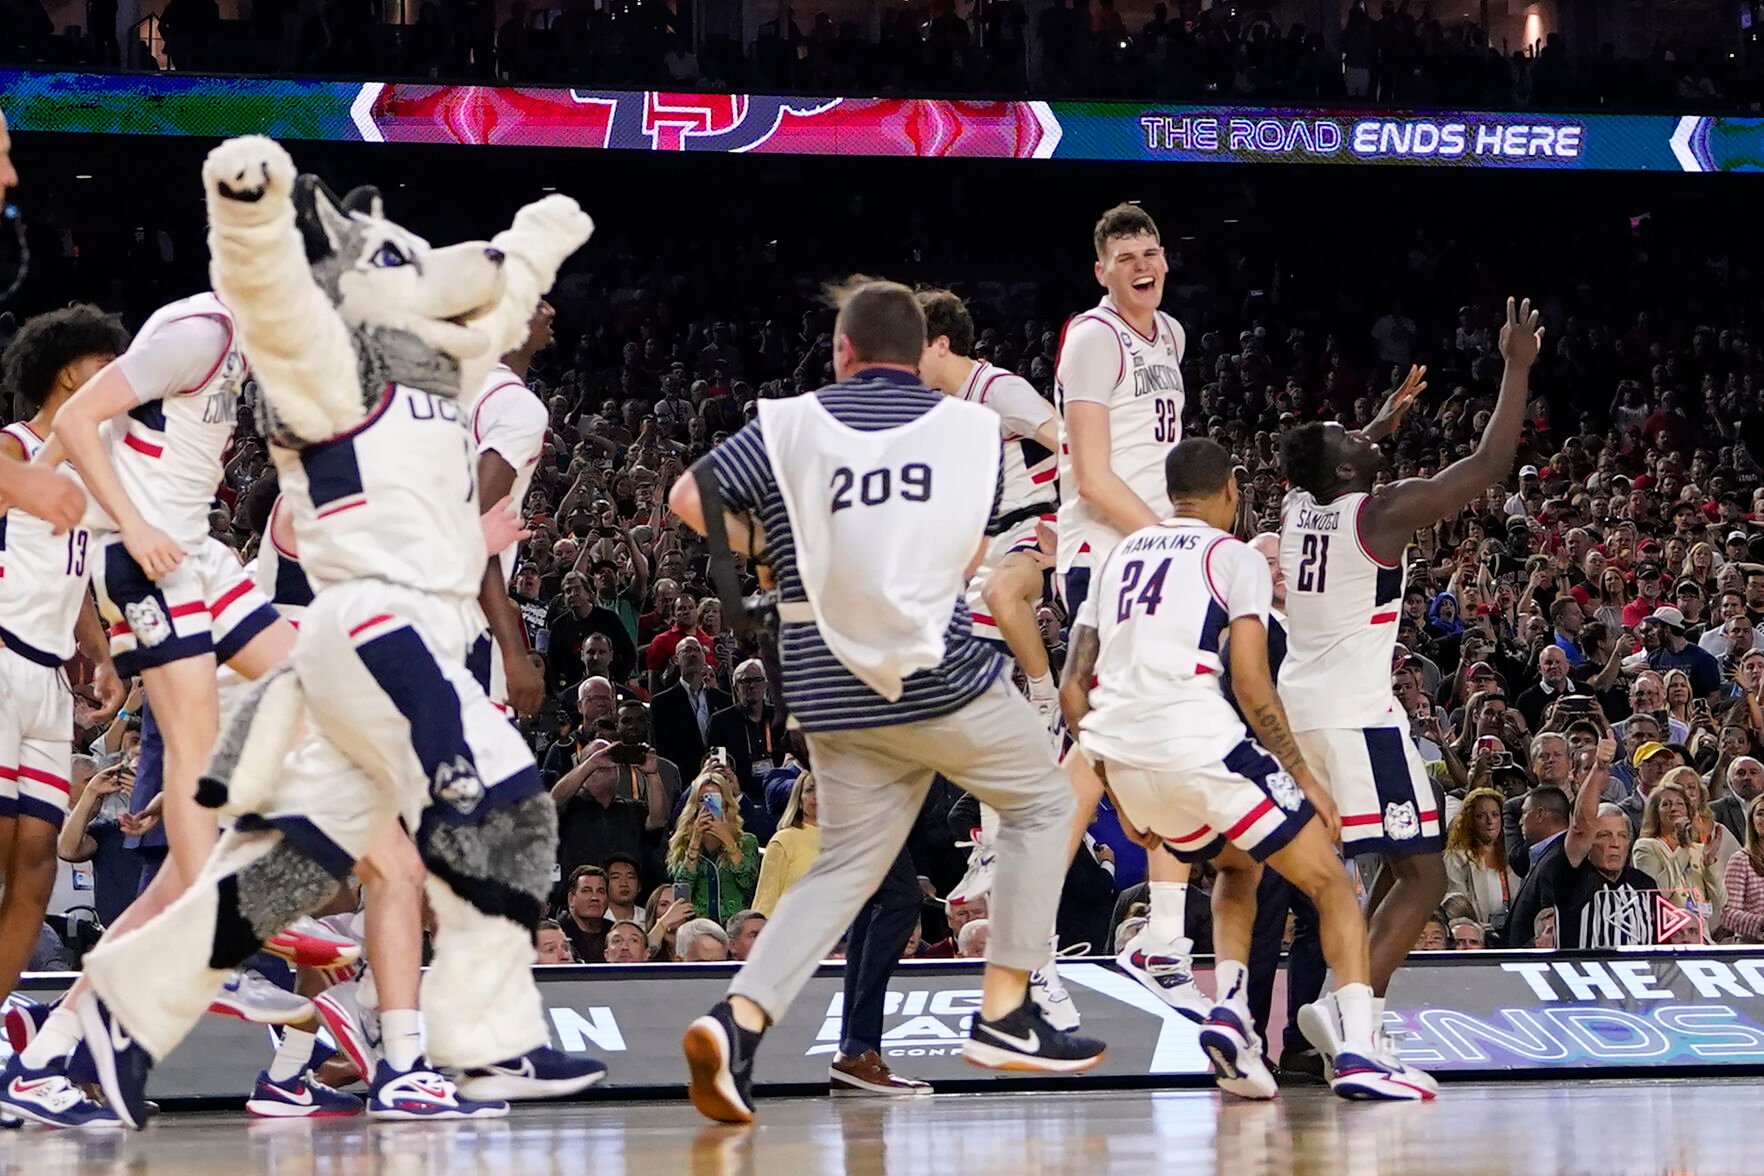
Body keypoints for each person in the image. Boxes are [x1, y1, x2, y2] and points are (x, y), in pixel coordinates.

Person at [52, 162, 604, 1131]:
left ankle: (112, 1034)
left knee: (354, 855)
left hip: (294, 605)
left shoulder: (357, 375)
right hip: (326, 614)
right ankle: (443, 1031)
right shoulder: (270, 362)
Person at [670, 277, 1101, 1125]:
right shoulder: (972, 430)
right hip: (933, 671)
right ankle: (1008, 1007)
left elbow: (691, 499)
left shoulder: (790, 423)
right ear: (922, 352)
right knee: (1047, 801)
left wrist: (785, 555)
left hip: (829, 690)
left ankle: (738, 1020)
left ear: (843, 351)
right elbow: (975, 548)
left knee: (844, 870)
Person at [1060, 436, 1429, 1101]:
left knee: (1236, 866)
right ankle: (1360, 1054)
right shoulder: (1233, 557)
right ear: (1232, 489)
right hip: (1198, 742)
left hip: (1121, 756)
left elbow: (1071, 688)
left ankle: (1229, 1008)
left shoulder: (1114, 555)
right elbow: (1254, 687)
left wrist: (1116, 790)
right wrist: (1306, 779)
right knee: (1332, 887)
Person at [1277, 295, 1541, 1081]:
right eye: (1351, 440)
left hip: (1309, 707)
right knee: (1426, 873)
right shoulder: (1380, 515)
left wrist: (1383, 419)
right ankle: (1351, 1013)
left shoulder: (1297, 503)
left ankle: (1350, 1007)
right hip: (1359, 715)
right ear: (1348, 472)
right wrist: (1516, 368)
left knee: (1394, 865)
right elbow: (1490, 466)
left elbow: (1339, 452)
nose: (1363, 437)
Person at [1052, 204, 1201, 1017]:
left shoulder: (1170, 335)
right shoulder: (1092, 338)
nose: (1143, 264)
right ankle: (1031, 936)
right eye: (1126, 256)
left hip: (1153, 555)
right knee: (1099, 750)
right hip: (1109, 561)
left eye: (1152, 250)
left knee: (1172, 738)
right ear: (1102, 270)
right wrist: (1176, 544)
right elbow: (1095, 479)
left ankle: (1165, 937)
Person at [0, 307, 131, 1010]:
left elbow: (74, 573)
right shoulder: (18, 446)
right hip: (2, 662)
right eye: (102, 360)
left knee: (36, 864)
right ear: (65, 370)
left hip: (49, 680)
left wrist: (102, 654)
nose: (116, 372)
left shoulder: (89, 468)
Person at [917, 289, 1061, 716]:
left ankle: (1045, 699)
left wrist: (1072, 527)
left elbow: (1074, 447)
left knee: (1002, 592)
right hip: (987, 548)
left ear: (941, 344)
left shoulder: (1000, 389)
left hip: (1033, 529)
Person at [470, 299, 554, 718]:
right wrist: (513, 652)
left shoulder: (451, 391)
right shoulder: (518, 406)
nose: (549, 310)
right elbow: (476, 532)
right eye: (535, 301)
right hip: (462, 621)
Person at [1533, 738, 1657, 950]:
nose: (1615, 843)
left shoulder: (1645, 885)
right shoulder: (1572, 877)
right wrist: (1599, 768)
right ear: (1589, 843)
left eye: (1621, 835)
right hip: (1584, 980)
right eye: (1604, 835)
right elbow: (1582, 826)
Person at [668, 772, 760, 923]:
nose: (708, 805)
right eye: (702, 799)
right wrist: (695, 840)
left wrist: (727, 839)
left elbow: (747, 882)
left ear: (726, 803)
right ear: (695, 804)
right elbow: (682, 892)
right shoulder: (682, 842)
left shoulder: (746, 841)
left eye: (715, 799)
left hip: (734, 927)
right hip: (698, 928)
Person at [1443, 788, 1519, 942]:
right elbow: (1457, 906)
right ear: (1470, 821)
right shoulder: (1456, 858)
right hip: (1475, 937)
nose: (1490, 821)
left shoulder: (1510, 855)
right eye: (1481, 816)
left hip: (1509, 935)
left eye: (1495, 815)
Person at [752, 770, 818, 916]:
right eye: (810, 789)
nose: (818, 795)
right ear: (799, 801)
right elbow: (765, 902)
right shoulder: (785, 840)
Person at [1719, 796, 1764, 943]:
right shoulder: (1741, 860)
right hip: (1753, 945)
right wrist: (1760, 923)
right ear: (1752, 821)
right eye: (1760, 813)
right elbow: (1728, 914)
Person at [559, 865, 612, 962]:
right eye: (586, 891)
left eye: (601, 891)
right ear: (571, 899)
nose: (594, 898)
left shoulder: (615, 932)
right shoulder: (556, 933)